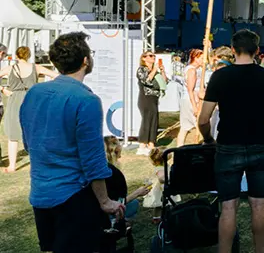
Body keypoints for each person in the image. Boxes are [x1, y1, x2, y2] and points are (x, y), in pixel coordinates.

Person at [20, 32, 125, 252]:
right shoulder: (86, 100)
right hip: (72, 197)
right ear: (86, 60)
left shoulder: (34, 93)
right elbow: (93, 159)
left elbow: (29, 144)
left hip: (40, 193)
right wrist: (105, 201)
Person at [198, 29, 264, 253]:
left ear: (234, 50)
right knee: (259, 203)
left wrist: (208, 138)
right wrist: (258, 113)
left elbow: (203, 119)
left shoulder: (220, 76)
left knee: (228, 206)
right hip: (260, 144)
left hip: (228, 145)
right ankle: (259, 250)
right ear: (257, 51)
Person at [1, 46, 56, 172]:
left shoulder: (10, 68)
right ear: (29, 55)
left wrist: (3, 89)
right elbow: (57, 76)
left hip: (14, 99)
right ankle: (37, 164)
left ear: (16, 55)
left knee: (13, 135)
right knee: (34, 133)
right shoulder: (36, 67)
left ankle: (12, 166)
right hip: (32, 99)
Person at [102, 136, 151, 223]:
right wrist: (137, 193)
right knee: (134, 203)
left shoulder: (95, 168)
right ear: (114, 152)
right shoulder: (113, 173)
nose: (120, 157)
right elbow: (117, 202)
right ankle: (117, 221)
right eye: (119, 154)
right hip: (105, 211)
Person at [136, 51, 167, 155]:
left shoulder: (155, 71)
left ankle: (151, 144)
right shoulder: (142, 69)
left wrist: (162, 71)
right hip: (145, 98)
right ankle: (142, 145)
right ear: (144, 58)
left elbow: (164, 82)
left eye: (153, 55)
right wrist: (154, 69)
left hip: (154, 98)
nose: (153, 57)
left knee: (154, 121)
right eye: (150, 56)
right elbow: (146, 81)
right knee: (146, 120)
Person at [177, 49, 204, 147]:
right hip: (190, 100)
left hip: (194, 98)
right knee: (187, 126)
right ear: (195, 58)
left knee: (190, 125)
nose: (202, 60)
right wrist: (195, 106)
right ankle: (180, 146)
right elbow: (190, 90)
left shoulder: (197, 69)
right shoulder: (191, 70)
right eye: (201, 58)